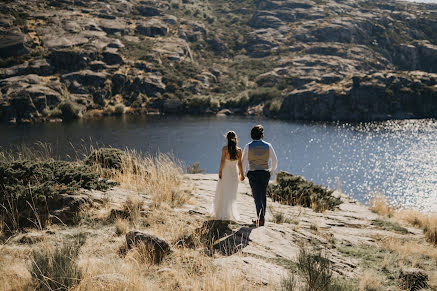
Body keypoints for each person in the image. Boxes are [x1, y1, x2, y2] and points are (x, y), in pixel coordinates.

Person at [242, 125, 277, 227]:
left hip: (253, 173)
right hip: (265, 173)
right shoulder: (268, 145)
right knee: (263, 196)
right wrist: (271, 171)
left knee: (257, 196)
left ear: (252, 135)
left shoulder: (248, 146)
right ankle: (261, 218)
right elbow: (275, 160)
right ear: (262, 135)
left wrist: (244, 173)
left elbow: (243, 161)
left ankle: (260, 219)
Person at [212, 131, 245, 221]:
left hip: (225, 172)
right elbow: (240, 164)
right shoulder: (239, 150)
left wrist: (219, 172)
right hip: (234, 173)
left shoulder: (224, 149)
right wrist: (242, 174)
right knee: (232, 193)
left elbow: (222, 161)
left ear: (226, 138)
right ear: (235, 138)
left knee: (223, 191)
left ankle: (222, 212)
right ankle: (229, 213)